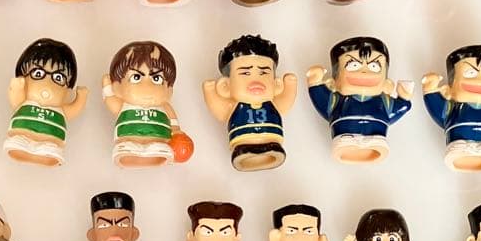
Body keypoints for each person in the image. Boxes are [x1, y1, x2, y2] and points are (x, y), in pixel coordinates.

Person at [307, 36, 413, 163]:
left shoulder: (385, 102)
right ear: (334, 82)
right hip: (343, 133)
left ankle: (375, 140)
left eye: (374, 66)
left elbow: (396, 109)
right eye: (353, 65)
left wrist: (404, 98)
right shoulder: (335, 100)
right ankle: (345, 140)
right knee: (345, 138)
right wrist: (315, 83)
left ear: (386, 83)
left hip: (377, 133)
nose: (364, 72)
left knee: (376, 139)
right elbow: (321, 100)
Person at [203, 35, 297, 171]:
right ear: (226, 86)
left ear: (276, 84)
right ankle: (243, 154)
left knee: (273, 147)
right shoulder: (234, 107)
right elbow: (220, 111)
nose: (256, 81)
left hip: (272, 138)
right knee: (243, 150)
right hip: (241, 140)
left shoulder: (273, 104)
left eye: (263, 73)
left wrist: (291, 86)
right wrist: (210, 92)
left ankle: (272, 150)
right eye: (245, 73)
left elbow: (285, 103)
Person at [4, 39, 88, 166]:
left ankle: (49, 149)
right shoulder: (24, 100)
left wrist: (81, 97)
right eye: (38, 74)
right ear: (23, 77)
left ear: (67, 90)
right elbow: (16, 100)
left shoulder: (62, 110)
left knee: (50, 147)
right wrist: (16, 87)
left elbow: (74, 109)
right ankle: (20, 143)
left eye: (58, 77)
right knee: (19, 141)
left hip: (52, 137)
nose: (48, 83)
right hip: (22, 131)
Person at [103, 41, 186, 167]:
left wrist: (176, 131)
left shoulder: (165, 106)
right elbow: (111, 102)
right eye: (136, 77)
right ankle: (128, 148)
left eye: (156, 79)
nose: (147, 87)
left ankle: (159, 149)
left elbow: (173, 121)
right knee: (127, 146)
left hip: (159, 138)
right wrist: (107, 87)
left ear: (169, 90)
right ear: (117, 87)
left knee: (160, 146)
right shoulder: (123, 105)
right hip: (128, 136)